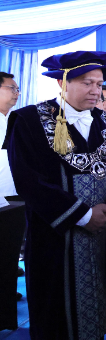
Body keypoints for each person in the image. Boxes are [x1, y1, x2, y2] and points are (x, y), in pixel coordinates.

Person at [4, 51, 106, 340]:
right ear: (62, 83)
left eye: (99, 84)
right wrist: (83, 215)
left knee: (101, 307)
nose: (95, 91)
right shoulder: (28, 120)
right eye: (87, 83)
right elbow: (28, 180)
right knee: (57, 317)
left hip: (103, 233)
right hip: (54, 236)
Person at [0, 72, 26, 332]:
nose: (16, 93)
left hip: (14, 199)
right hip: (1, 200)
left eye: (17, 89)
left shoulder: (15, 121)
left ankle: (6, 315)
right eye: (11, 88)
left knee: (9, 261)